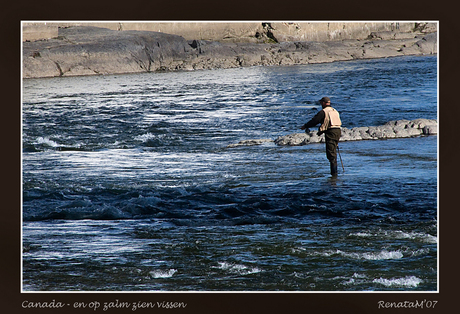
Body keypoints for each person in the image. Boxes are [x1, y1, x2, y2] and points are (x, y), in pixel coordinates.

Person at [300, 97, 342, 176]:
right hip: (338, 131)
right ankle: (334, 173)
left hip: (331, 132)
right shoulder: (334, 111)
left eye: (321, 103)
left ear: (323, 103)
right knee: (333, 151)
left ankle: (334, 175)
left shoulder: (324, 111)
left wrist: (305, 126)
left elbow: (315, 121)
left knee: (331, 154)